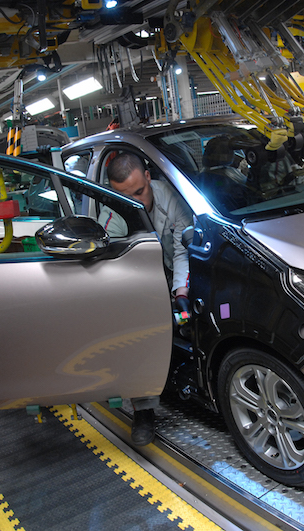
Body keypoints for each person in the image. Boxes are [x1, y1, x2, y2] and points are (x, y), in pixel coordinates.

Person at [103, 152, 193, 446]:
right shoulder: (113, 216)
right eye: (127, 196)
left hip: (175, 272)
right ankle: (143, 410)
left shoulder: (172, 200)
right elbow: (110, 267)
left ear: (148, 177)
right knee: (135, 334)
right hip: (137, 284)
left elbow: (182, 250)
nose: (137, 203)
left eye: (140, 192)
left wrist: (181, 293)